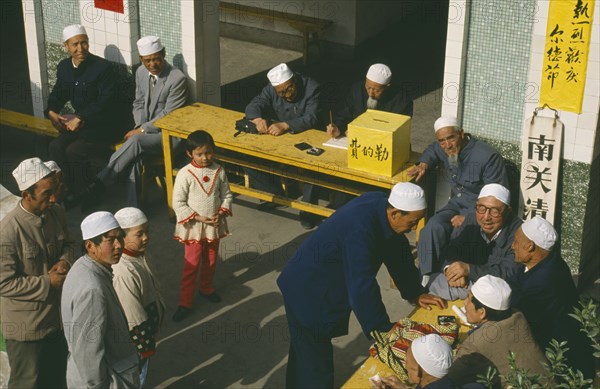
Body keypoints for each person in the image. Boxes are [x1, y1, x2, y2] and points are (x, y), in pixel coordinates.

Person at [278, 182, 446, 388]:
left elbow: (396, 248)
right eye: (413, 222)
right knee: (316, 365)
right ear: (394, 213)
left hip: (312, 281)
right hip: (308, 291)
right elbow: (361, 284)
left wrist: (415, 292)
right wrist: (381, 328)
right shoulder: (360, 229)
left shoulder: (380, 206)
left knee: (303, 351)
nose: (413, 229)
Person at [85, 35, 189, 207]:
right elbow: (138, 102)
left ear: (163, 54)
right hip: (143, 135)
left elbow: (168, 114)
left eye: (156, 59)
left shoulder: (177, 79)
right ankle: (133, 208)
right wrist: (140, 126)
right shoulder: (141, 72)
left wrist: (141, 130)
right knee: (135, 157)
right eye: (147, 60)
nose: (152, 64)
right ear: (141, 59)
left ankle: (100, 182)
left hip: (168, 137)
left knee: (136, 141)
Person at [0, 157, 76, 388]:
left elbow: (70, 244)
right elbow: (4, 284)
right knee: (28, 383)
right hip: (27, 328)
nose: (53, 198)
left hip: (57, 320)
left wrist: (64, 262)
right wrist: (47, 282)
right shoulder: (8, 231)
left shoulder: (56, 212)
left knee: (57, 379)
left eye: (55, 191)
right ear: (26, 194)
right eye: (46, 193)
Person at [408, 116, 508, 283]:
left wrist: (470, 217)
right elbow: (433, 150)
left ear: (461, 134)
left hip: (479, 211)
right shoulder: (443, 147)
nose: (447, 145)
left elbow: (497, 198)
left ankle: (450, 278)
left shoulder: (487, 156)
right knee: (431, 228)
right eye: (442, 141)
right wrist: (424, 163)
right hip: (456, 204)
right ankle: (426, 276)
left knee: (458, 234)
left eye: (451, 138)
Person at [47, 25, 130, 198]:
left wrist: (81, 117)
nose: (80, 49)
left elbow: (106, 101)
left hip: (103, 125)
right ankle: (67, 189)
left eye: (84, 43)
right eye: (75, 44)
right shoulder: (64, 67)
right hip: (79, 124)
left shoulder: (102, 67)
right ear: (66, 47)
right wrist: (51, 111)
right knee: (55, 146)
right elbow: (59, 92)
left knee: (73, 151)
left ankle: (87, 190)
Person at [508, 216, 595, 379]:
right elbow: (515, 281)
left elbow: (512, 306)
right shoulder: (549, 261)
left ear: (530, 246)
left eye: (516, 242)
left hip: (565, 367)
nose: (512, 246)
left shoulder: (542, 282)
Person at [61, 211, 140, 388]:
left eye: (120, 237)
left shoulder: (83, 266)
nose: (119, 245)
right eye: (110, 240)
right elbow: (88, 352)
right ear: (90, 246)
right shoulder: (92, 289)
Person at [244, 62, 324, 229]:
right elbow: (253, 106)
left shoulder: (312, 87)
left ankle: (308, 212)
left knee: (313, 167)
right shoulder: (270, 90)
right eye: (281, 93)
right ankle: (275, 196)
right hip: (283, 139)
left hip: (310, 137)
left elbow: (312, 117)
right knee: (248, 156)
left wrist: (286, 125)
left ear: (294, 80)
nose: (287, 95)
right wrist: (257, 119)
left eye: (289, 89)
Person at [171, 130, 233, 322]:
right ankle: (185, 302)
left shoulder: (219, 170)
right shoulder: (185, 174)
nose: (205, 158)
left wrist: (221, 211)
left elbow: (227, 195)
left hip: (213, 225)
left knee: (211, 261)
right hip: (194, 228)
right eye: (199, 154)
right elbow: (178, 202)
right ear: (190, 154)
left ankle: (206, 288)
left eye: (208, 152)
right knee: (192, 264)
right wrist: (198, 217)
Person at [446, 275, 548, 388]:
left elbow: (450, 377)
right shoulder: (518, 316)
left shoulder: (476, 344)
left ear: (482, 312)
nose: (465, 303)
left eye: (468, 299)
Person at [428, 184, 522, 300]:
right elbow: (452, 250)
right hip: (466, 283)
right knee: (431, 281)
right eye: (481, 209)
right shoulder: (471, 220)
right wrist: (452, 270)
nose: (486, 217)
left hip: (498, 292)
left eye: (495, 211)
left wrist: (469, 270)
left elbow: (508, 272)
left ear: (508, 211)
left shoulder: (519, 233)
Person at [113, 207, 165, 386]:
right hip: (137, 340)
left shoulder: (140, 256)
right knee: (135, 377)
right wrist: (145, 345)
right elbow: (132, 314)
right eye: (139, 234)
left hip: (147, 329)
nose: (146, 237)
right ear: (121, 237)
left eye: (147, 231)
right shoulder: (123, 271)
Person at [327, 63, 413, 138]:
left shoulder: (402, 100)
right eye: (368, 87)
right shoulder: (357, 90)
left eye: (377, 90)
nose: (371, 94)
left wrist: (362, 133)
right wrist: (338, 127)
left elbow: (398, 130)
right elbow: (345, 113)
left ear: (387, 87)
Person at [372, 334, 456, 389]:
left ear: (417, 371)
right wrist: (404, 387)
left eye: (407, 362)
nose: (405, 366)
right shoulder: (447, 382)